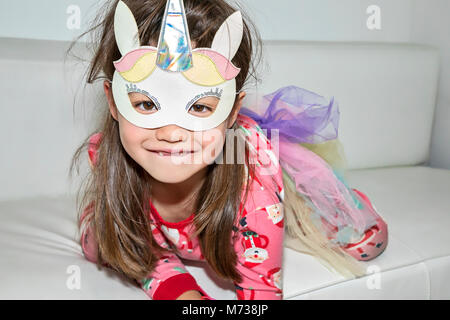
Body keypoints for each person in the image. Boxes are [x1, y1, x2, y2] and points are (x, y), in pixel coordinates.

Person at [69, 0, 388, 300]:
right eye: (146, 103)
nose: (170, 133)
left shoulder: (254, 183)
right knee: (100, 242)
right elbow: (122, 244)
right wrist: (180, 289)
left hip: (254, 191)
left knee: (365, 240)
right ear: (113, 101)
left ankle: (322, 205)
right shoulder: (112, 157)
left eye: (200, 107)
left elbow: (261, 290)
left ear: (233, 110)